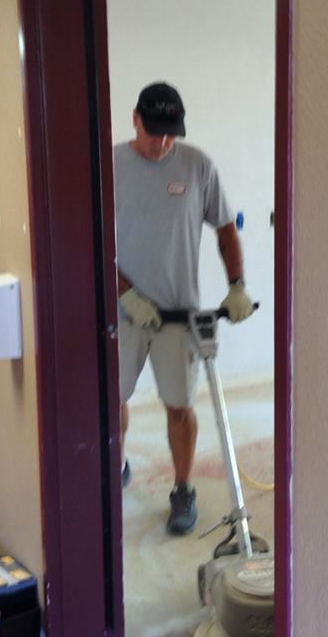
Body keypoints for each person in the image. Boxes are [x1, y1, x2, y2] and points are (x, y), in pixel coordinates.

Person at [115, 82, 254, 535]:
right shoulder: (108, 167)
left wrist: (237, 285)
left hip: (178, 314)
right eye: (154, 132)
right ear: (135, 119)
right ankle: (117, 465)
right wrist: (124, 293)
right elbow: (88, 240)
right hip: (122, 313)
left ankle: (182, 489)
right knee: (112, 400)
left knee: (179, 406)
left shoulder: (197, 166)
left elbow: (225, 228)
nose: (162, 143)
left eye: (170, 134)